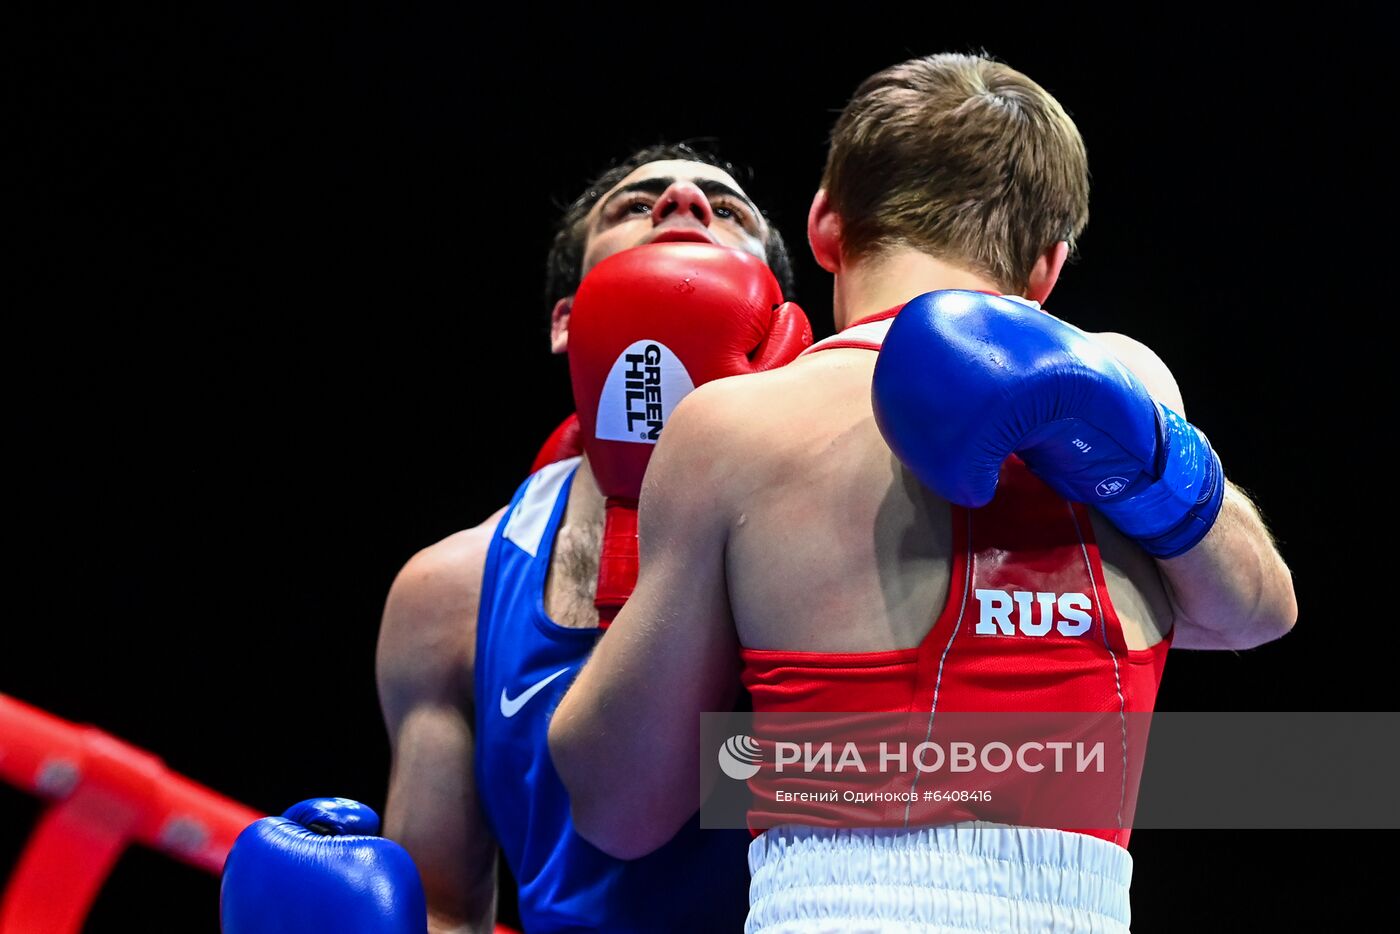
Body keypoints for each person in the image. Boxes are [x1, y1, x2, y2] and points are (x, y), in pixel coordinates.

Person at [549, 54, 1299, 932]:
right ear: (1048, 268)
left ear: (825, 227)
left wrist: (636, 508)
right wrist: (1141, 453)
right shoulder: (1127, 378)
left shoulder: (734, 428)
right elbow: (1259, 614)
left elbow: (618, 809)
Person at [372, 144, 799, 932]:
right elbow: (442, 910)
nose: (683, 200)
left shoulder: (853, 526)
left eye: (727, 210)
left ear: (777, 324)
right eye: (635, 206)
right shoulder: (450, 592)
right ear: (566, 321)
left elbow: (984, 775)